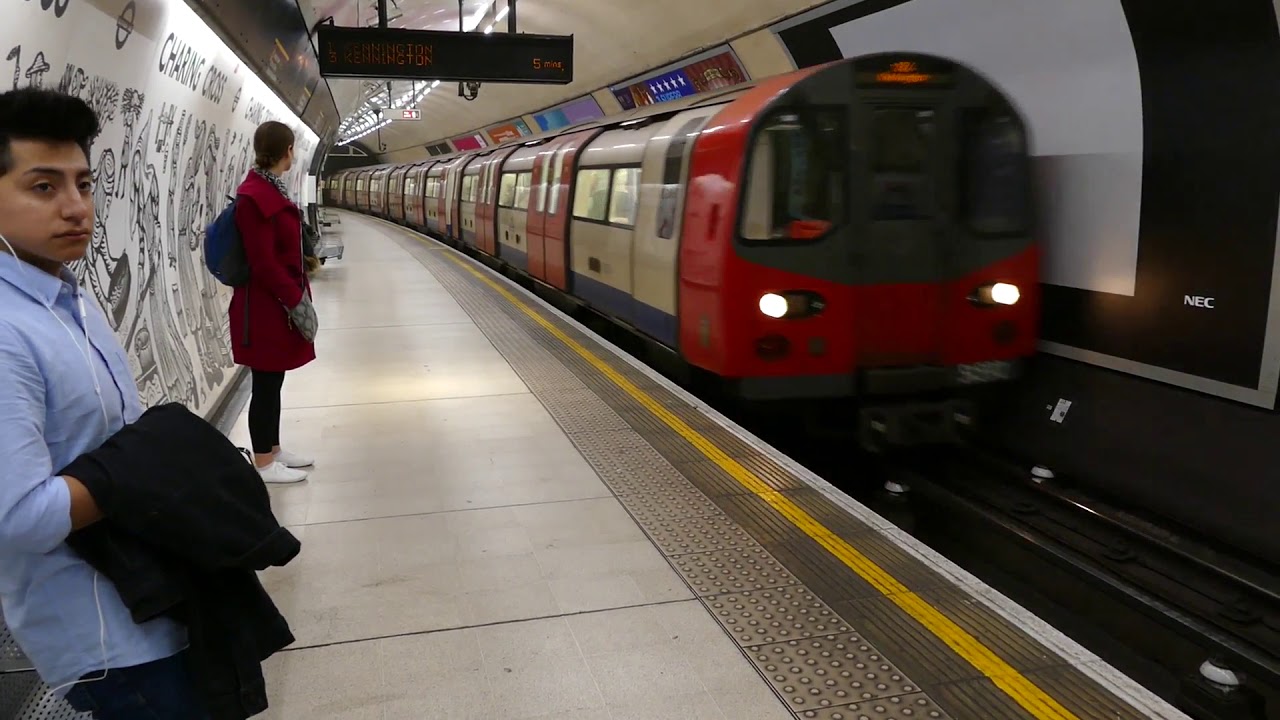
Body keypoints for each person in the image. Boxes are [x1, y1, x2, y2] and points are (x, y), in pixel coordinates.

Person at [0, 87, 208, 718]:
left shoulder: (70, 299)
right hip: (106, 637)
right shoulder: (7, 332)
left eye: (84, 185)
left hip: (149, 599)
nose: (75, 208)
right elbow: (21, 519)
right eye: (43, 187)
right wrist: (153, 465)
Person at [230, 120, 317, 484]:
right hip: (264, 308)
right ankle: (263, 463)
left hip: (274, 305)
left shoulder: (269, 191)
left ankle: (274, 449)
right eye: (293, 148)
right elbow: (263, 261)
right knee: (264, 385)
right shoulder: (254, 197)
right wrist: (294, 298)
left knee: (273, 381)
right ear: (286, 151)